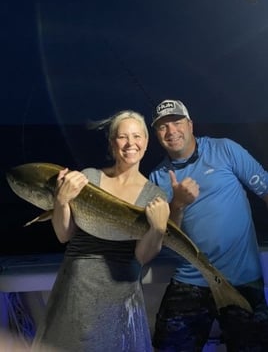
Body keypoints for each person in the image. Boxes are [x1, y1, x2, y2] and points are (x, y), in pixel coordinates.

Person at [31, 110, 170, 352]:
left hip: (121, 294)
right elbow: (64, 235)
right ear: (111, 143)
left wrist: (158, 229)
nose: (130, 143)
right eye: (122, 136)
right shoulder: (88, 178)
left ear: (146, 143)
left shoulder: (154, 196)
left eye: (137, 136)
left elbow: (142, 257)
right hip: (75, 288)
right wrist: (61, 201)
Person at [149, 99, 268, 351]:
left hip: (242, 280)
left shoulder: (225, 150)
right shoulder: (157, 177)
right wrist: (177, 204)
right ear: (156, 134)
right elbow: (166, 236)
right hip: (191, 282)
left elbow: (266, 190)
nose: (171, 131)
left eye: (177, 122)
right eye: (162, 127)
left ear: (190, 125)